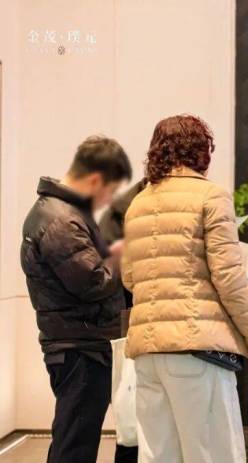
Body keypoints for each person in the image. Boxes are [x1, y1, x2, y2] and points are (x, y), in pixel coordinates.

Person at [121, 115, 248, 463]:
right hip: (197, 349)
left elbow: (130, 277)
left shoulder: (138, 203)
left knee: (158, 456)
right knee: (213, 454)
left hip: (147, 353)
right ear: (201, 151)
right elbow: (229, 279)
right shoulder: (211, 196)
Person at [20, 135, 132, 463]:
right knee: (75, 446)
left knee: (73, 439)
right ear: (96, 180)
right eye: (110, 191)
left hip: (81, 344)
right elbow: (93, 282)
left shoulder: (60, 212)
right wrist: (120, 255)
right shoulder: (60, 221)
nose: (108, 200)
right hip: (80, 348)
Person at [98, 178, 146, 463]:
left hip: (137, 323)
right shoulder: (123, 216)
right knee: (133, 421)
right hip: (130, 325)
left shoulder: (124, 211)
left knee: (135, 421)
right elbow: (112, 275)